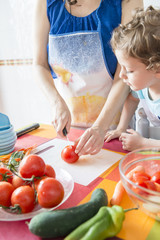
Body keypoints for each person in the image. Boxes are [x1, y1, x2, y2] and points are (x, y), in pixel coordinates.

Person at [33, 0, 143, 156]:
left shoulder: (128, 2)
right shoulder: (47, 3)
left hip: (113, 129)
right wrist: (56, 103)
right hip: (67, 126)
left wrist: (100, 127)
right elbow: (39, 64)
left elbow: (124, 74)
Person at [105, 6, 160, 151]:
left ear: (157, 69)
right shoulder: (145, 85)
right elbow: (131, 100)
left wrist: (143, 144)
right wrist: (121, 128)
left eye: (129, 70)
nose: (121, 75)